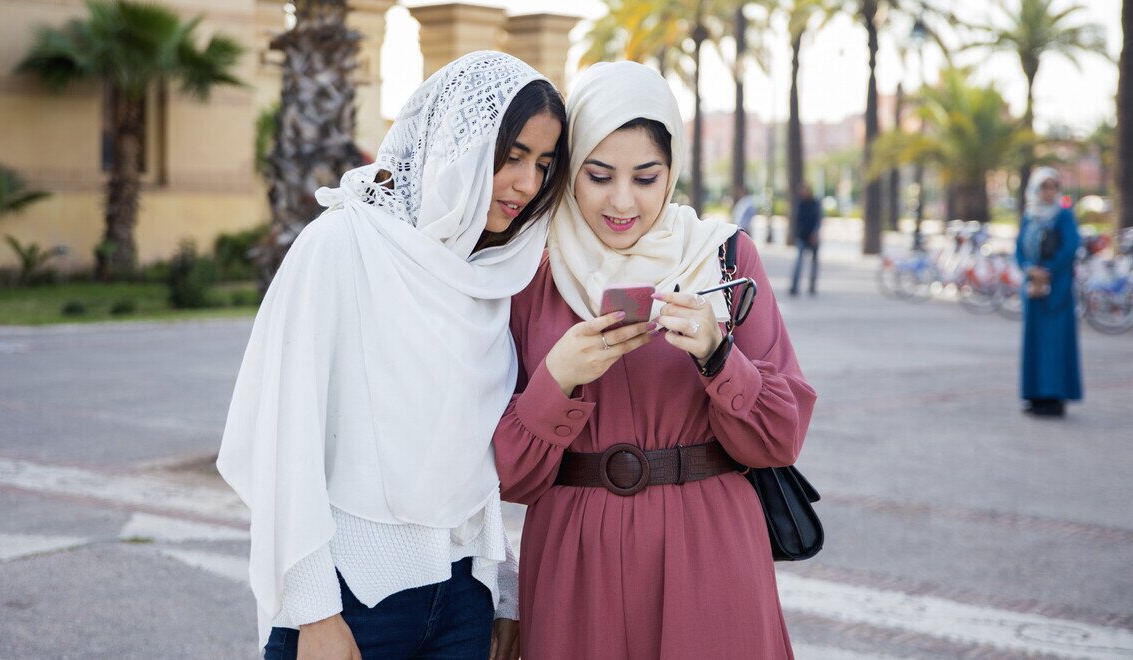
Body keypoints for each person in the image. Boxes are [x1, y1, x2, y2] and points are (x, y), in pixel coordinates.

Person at [217, 51, 570, 660]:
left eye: (542, 164)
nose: (527, 184)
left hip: (463, 598)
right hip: (348, 602)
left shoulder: (486, 277)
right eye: (510, 157)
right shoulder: (341, 245)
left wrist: (501, 592)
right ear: (456, 143)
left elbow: (469, 458)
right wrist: (313, 612)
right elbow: (285, 440)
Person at [493, 61, 816, 659]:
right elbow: (506, 474)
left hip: (710, 548)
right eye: (598, 175)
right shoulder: (528, 269)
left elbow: (780, 438)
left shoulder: (722, 259)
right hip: (573, 558)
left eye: (646, 177)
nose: (623, 201)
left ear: (673, 172)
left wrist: (719, 358)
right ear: (569, 172)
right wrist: (557, 379)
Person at [1015, 167, 1082, 417]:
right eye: (1044, 186)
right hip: (1034, 290)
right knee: (1035, 343)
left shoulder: (1063, 216)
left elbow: (1070, 247)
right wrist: (1029, 269)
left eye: (1053, 186)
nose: (1049, 191)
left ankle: (1054, 397)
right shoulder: (1029, 216)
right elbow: (1019, 248)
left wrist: (1048, 270)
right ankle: (1035, 394)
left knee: (1055, 343)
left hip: (1057, 291)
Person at [790, 182, 821, 297]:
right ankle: (794, 286)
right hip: (802, 236)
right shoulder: (800, 203)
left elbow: (818, 220)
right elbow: (797, 220)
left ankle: (812, 285)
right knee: (798, 262)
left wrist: (815, 233)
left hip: (813, 236)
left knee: (814, 263)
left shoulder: (815, 203)